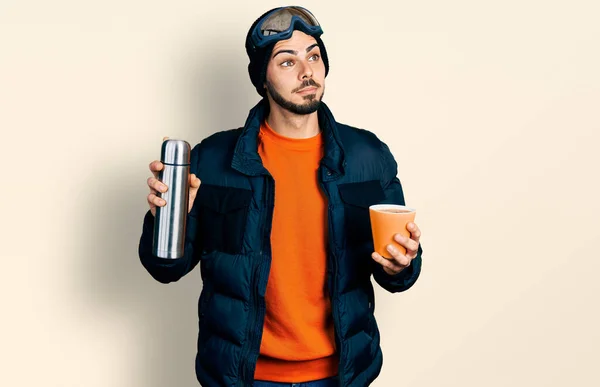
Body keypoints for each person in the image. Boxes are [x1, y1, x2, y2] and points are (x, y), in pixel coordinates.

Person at [139, 6, 423, 387]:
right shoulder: (212, 160)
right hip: (244, 378)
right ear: (263, 79)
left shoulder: (368, 157)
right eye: (287, 62)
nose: (307, 71)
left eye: (313, 56)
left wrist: (402, 264)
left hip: (341, 376)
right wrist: (165, 219)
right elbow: (165, 269)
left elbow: (399, 273)